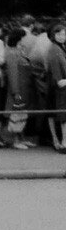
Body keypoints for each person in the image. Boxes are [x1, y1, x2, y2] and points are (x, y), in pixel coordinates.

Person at [47, 23, 66, 152]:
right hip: (58, 88)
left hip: (59, 87)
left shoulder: (61, 48)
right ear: (54, 35)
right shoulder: (54, 50)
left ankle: (62, 141)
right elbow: (58, 79)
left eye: (64, 34)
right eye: (59, 34)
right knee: (61, 116)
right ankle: (62, 142)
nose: (62, 36)